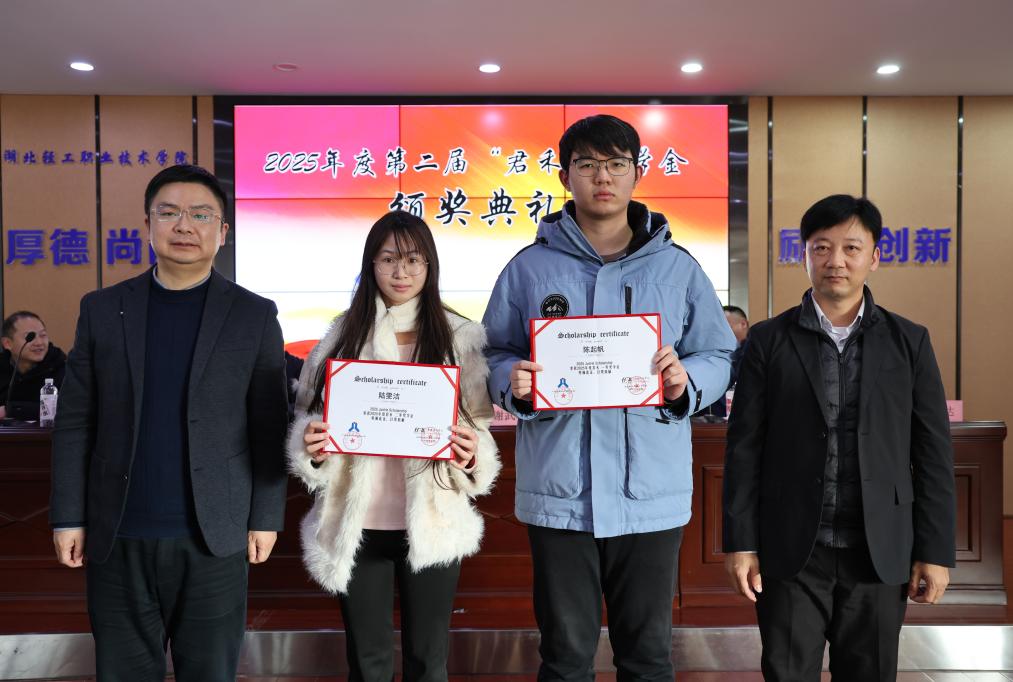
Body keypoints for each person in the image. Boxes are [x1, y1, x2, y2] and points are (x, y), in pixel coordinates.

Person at [482, 114, 735, 680]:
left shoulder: (678, 268)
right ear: (565, 175)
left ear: (636, 173)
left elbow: (718, 354)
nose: (603, 177)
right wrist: (510, 380)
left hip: (650, 495)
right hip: (560, 496)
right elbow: (491, 352)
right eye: (588, 164)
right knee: (564, 658)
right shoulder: (528, 268)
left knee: (647, 659)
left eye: (617, 164)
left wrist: (685, 382)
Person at [49, 165, 289, 682]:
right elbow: (75, 422)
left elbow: (270, 425)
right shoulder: (103, 309)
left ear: (222, 232)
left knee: (210, 672)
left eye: (201, 215)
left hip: (214, 536)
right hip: (118, 534)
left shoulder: (254, 316)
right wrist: (67, 516)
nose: (184, 226)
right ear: (147, 224)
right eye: (169, 213)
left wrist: (266, 516)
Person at [722, 194, 956, 681]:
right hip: (791, 550)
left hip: (878, 551)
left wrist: (934, 551)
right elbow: (744, 449)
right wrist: (741, 543)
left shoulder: (909, 341)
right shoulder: (768, 340)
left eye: (851, 248)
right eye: (821, 247)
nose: (836, 261)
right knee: (787, 673)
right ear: (804, 255)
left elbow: (932, 452)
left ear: (875, 256)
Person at [288, 211, 499, 682]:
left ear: (429, 266)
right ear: (371, 265)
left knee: (428, 662)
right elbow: (306, 417)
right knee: (368, 663)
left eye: (413, 260)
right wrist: (313, 447)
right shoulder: (341, 335)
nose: (401, 272)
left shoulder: (459, 336)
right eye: (388, 259)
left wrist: (471, 454)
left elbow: (480, 426)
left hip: (433, 520)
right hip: (356, 522)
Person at [0, 310, 66, 420]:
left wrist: (11, 410)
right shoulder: (3, 368)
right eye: (30, 337)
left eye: (43, 335)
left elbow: (68, 409)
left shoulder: (63, 369)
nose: (39, 343)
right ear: (7, 343)